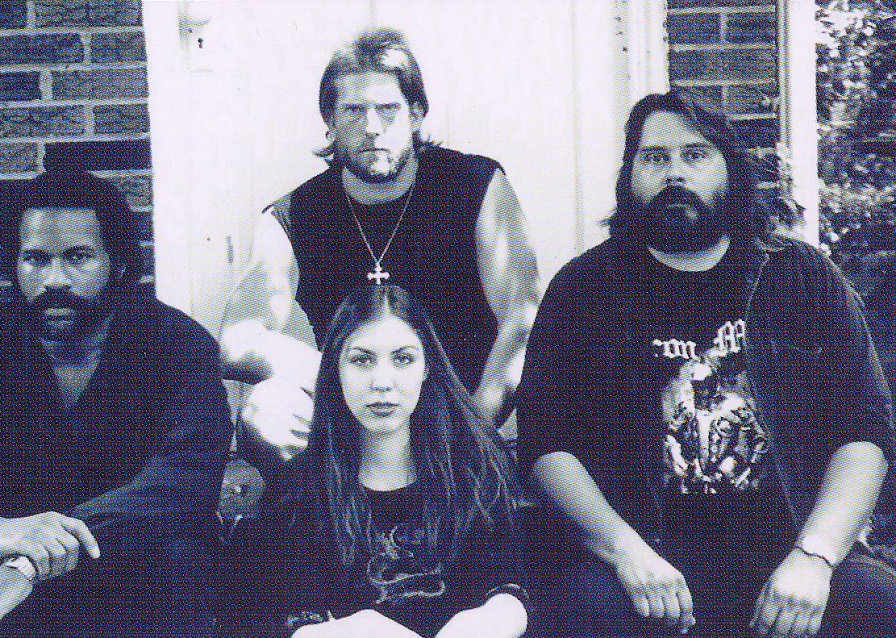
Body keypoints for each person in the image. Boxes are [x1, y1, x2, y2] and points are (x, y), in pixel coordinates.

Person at [517, 89, 896, 638]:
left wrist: (814, 557)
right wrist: (625, 551)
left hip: (787, 546)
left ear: (730, 169)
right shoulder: (583, 289)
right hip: (641, 554)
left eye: (694, 155)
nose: (674, 172)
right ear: (630, 176)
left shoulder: (801, 276)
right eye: (654, 157)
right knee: (578, 614)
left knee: (878, 605)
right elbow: (546, 448)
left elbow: (865, 434)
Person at [0, 169, 231, 637]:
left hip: (127, 575)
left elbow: (184, 478)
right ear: (14, 266)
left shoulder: (175, 345)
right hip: (4, 588)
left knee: (178, 554)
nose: (54, 280)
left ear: (117, 263)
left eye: (78, 257)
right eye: (35, 259)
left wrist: (30, 563)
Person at [219, 27, 540, 476]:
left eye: (388, 109)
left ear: (416, 114)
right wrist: (346, 372)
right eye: (353, 110)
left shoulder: (475, 187)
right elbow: (238, 339)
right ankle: (339, 512)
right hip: (353, 418)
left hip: (455, 418)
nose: (372, 127)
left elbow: (522, 321)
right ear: (330, 123)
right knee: (265, 411)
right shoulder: (294, 214)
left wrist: (475, 429)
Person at [250, 284, 529, 638]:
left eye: (403, 359)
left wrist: (486, 623)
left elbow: (511, 591)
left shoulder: (475, 474)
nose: (382, 382)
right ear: (335, 369)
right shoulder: (300, 491)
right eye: (362, 360)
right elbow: (290, 619)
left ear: (427, 368)